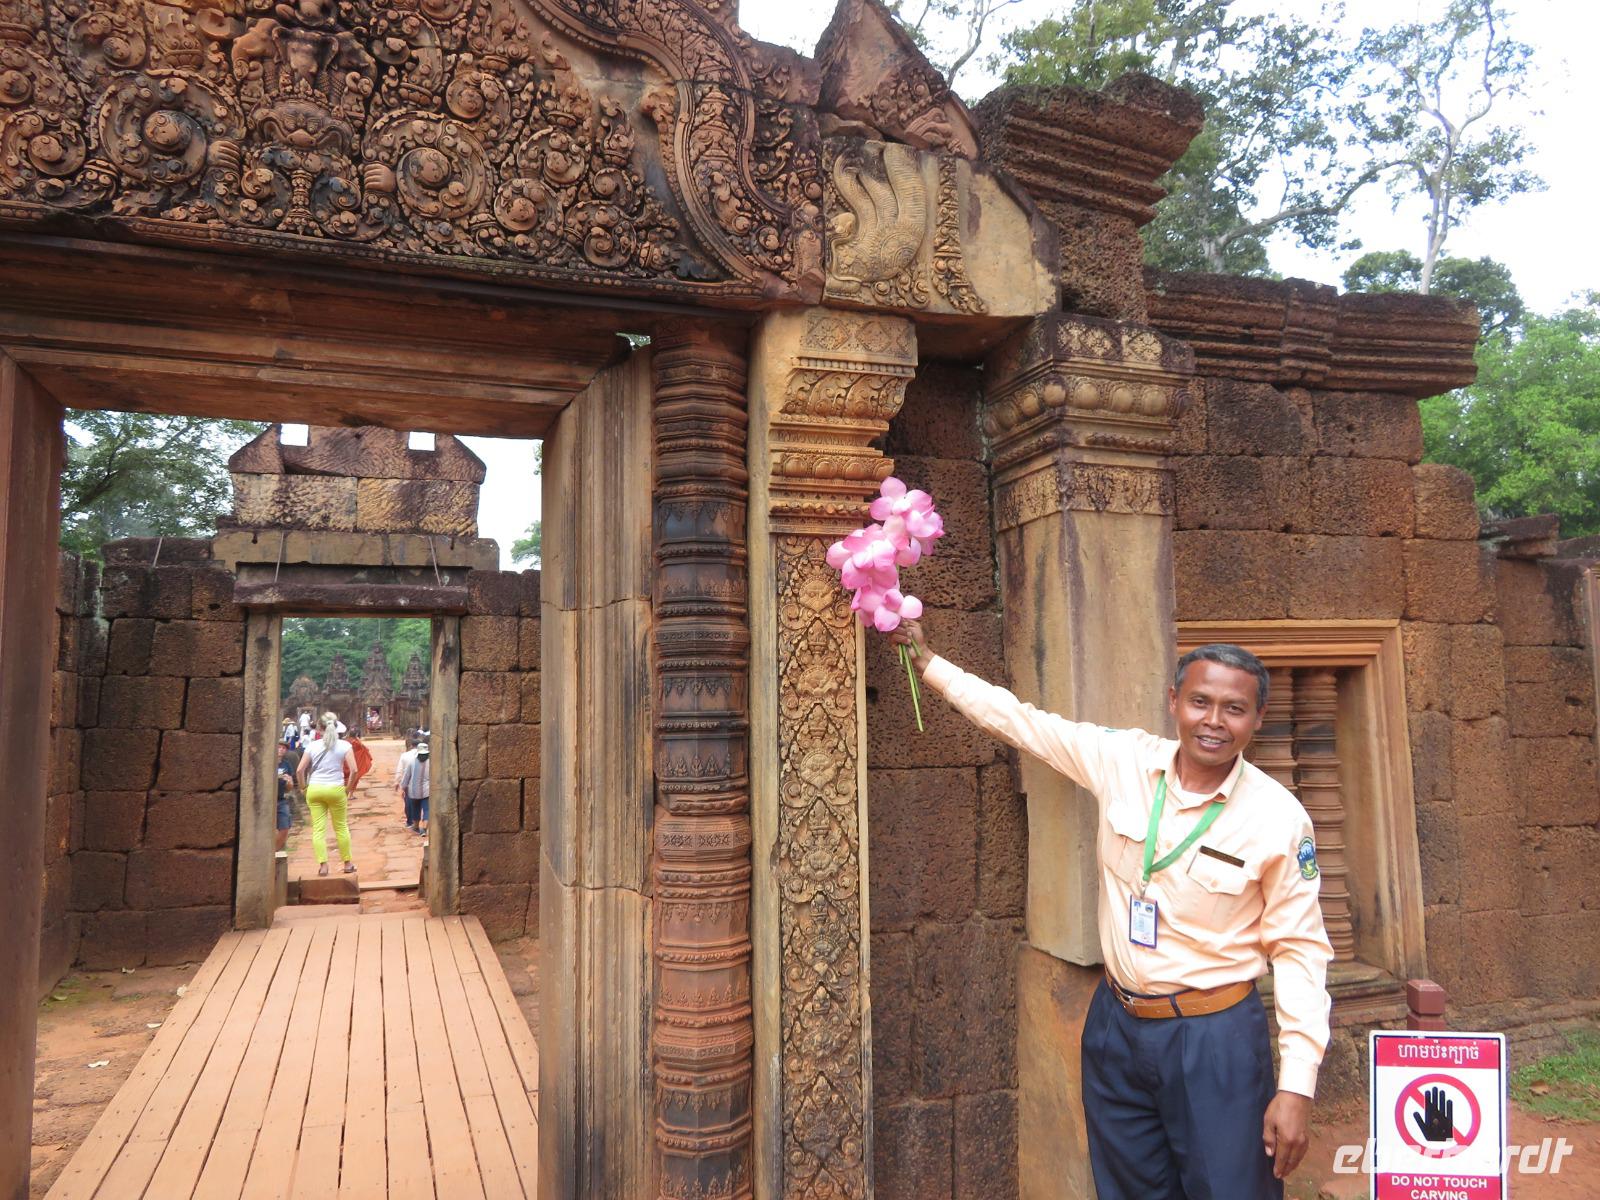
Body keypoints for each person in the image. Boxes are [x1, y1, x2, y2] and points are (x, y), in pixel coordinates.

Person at [891, 619, 1332, 1199]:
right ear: (1174, 701)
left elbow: (1300, 951)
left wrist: (1297, 1086)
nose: (1214, 722)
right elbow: (1025, 723)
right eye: (1200, 701)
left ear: (1256, 719)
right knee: (1127, 1189)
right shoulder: (1123, 760)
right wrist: (929, 664)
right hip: (1116, 1025)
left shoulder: (1278, 817)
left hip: (1212, 1039)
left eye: (1234, 708)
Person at [296, 711, 356, 877]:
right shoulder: (345, 746)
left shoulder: (313, 746)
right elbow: (354, 770)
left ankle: (323, 866)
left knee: (318, 830)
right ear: (336, 727)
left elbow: (300, 770)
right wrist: (348, 789)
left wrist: (303, 788)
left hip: (315, 789)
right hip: (336, 789)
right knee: (341, 827)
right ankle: (348, 863)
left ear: (319, 728)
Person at [399, 740, 431, 838]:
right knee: (427, 810)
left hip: (413, 791)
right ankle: (424, 829)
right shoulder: (431, 762)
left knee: (415, 809)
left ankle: (416, 826)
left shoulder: (412, 762)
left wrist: (403, 788)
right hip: (427, 791)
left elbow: (406, 777)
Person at [394, 734, 420, 830]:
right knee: (421, 803)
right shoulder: (424, 755)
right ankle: (421, 823)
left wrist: (397, 782)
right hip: (421, 782)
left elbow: (400, 770)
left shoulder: (404, 755)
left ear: (411, 746)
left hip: (408, 782)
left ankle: (410, 821)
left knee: (408, 801)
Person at [274, 741, 297, 851]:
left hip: (281, 799)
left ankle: (274, 852)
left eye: (284, 748)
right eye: (279, 747)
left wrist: (289, 783)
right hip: (268, 800)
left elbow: (289, 788)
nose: (281, 750)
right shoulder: (268, 763)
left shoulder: (286, 765)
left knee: (285, 827)